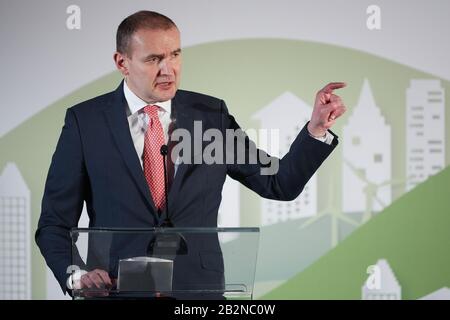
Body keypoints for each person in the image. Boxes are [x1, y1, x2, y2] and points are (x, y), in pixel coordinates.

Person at [35, 10, 347, 297]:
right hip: (117, 290)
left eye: (175, 55)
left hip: (198, 293)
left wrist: (316, 129)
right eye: (154, 58)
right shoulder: (85, 122)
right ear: (122, 63)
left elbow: (279, 183)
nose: (168, 69)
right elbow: (54, 224)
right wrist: (76, 276)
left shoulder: (211, 115)